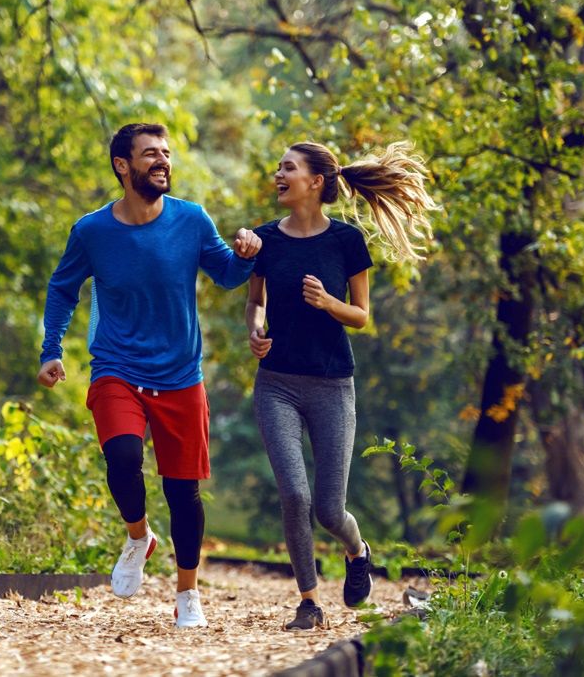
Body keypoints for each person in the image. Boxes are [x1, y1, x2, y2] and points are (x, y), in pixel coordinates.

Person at [37, 123, 262, 628]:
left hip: (181, 375)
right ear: (123, 165)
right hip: (117, 367)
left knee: (183, 493)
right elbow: (62, 288)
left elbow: (226, 273)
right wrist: (51, 349)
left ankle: (187, 594)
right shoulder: (92, 231)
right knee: (121, 457)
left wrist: (248, 253)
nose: (162, 162)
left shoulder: (192, 219)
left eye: (166, 154)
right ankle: (139, 535)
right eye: (150, 155)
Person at [245, 141, 436, 630]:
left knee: (330, 509)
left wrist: (330, 303)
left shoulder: (347, 241)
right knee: (295, 496)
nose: (278, 174)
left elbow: (362, 316)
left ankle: (358, 550)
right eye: (278, 166)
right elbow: (255, 302)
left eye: (288, 167)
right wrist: (256, 329)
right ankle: (308, 601)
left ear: (315, 181)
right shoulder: (267, 240)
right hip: (277, 384)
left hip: (332, 385)